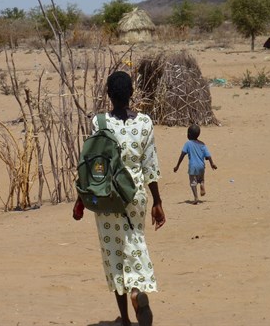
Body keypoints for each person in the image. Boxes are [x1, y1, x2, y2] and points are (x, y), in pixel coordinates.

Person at [73, 71, 166, 326]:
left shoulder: (99, 122)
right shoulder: (145, 123)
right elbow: (151, 166)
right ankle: (137, 289)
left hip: (106, 196)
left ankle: (125, 318)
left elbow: (92, 162)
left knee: (113, 252)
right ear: (131, 93)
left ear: (108, 94)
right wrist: (157, 201)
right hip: (134, 194)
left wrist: (81, 198)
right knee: (135, 241)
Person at [173, 124, 217, 204]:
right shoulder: (202, 144)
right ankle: (202, 184)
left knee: (193, 183)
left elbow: (182, 155)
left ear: (188, 135)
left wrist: (177, 166)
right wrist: (212, 164)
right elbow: (208, 155)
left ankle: (196, 197)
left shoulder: (188, 144)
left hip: (193, 167)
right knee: (201, 179)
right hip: (201, 167)